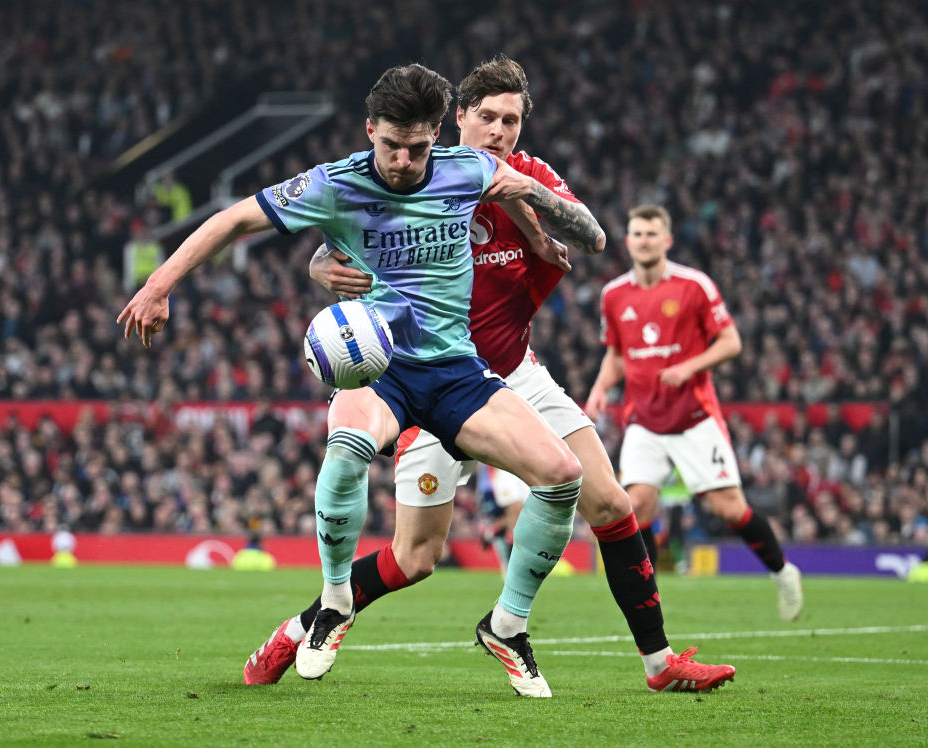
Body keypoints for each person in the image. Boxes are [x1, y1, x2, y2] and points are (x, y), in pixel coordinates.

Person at [242, 57, 734, 696]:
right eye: (489, 118)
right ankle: (301, 625)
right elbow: (335, 239)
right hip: (426, 379)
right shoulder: (418, 174)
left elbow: (589, 236)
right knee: (416, 559)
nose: (502, 131)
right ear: (459, 120)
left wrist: (531, 206)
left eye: (513, 120)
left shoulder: (527, 176)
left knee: (609, 502)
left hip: (509, 372)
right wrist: (320, 269)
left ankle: (659, 662)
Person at [120, 62, 587, 697]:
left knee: (561, 477)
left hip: (456, 370)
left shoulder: (466, 168)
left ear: (435, 138)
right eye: (390, 144)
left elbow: (522, 195)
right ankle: (335, 602)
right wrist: (158, 285)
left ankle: (508, 624)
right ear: (370, 130)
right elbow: (231, 220)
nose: (401, 160)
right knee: (347, 445)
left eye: (416, 147)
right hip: (382, 364)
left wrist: (551, 227)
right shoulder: (332, 185)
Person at [585, 204, 804, 621]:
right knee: (638, 505)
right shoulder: (614, 294)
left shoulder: (694, 285)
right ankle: (648, 603)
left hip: (693, 418)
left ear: (667, 240)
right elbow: (616, 354)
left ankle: (783, 572)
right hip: (644, 421)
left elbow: (731, 341)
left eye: (652, 234)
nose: (644, 240)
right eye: (637, 233)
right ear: (627, 240)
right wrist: (599, 389)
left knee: (729, 509)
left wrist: (689, 366)